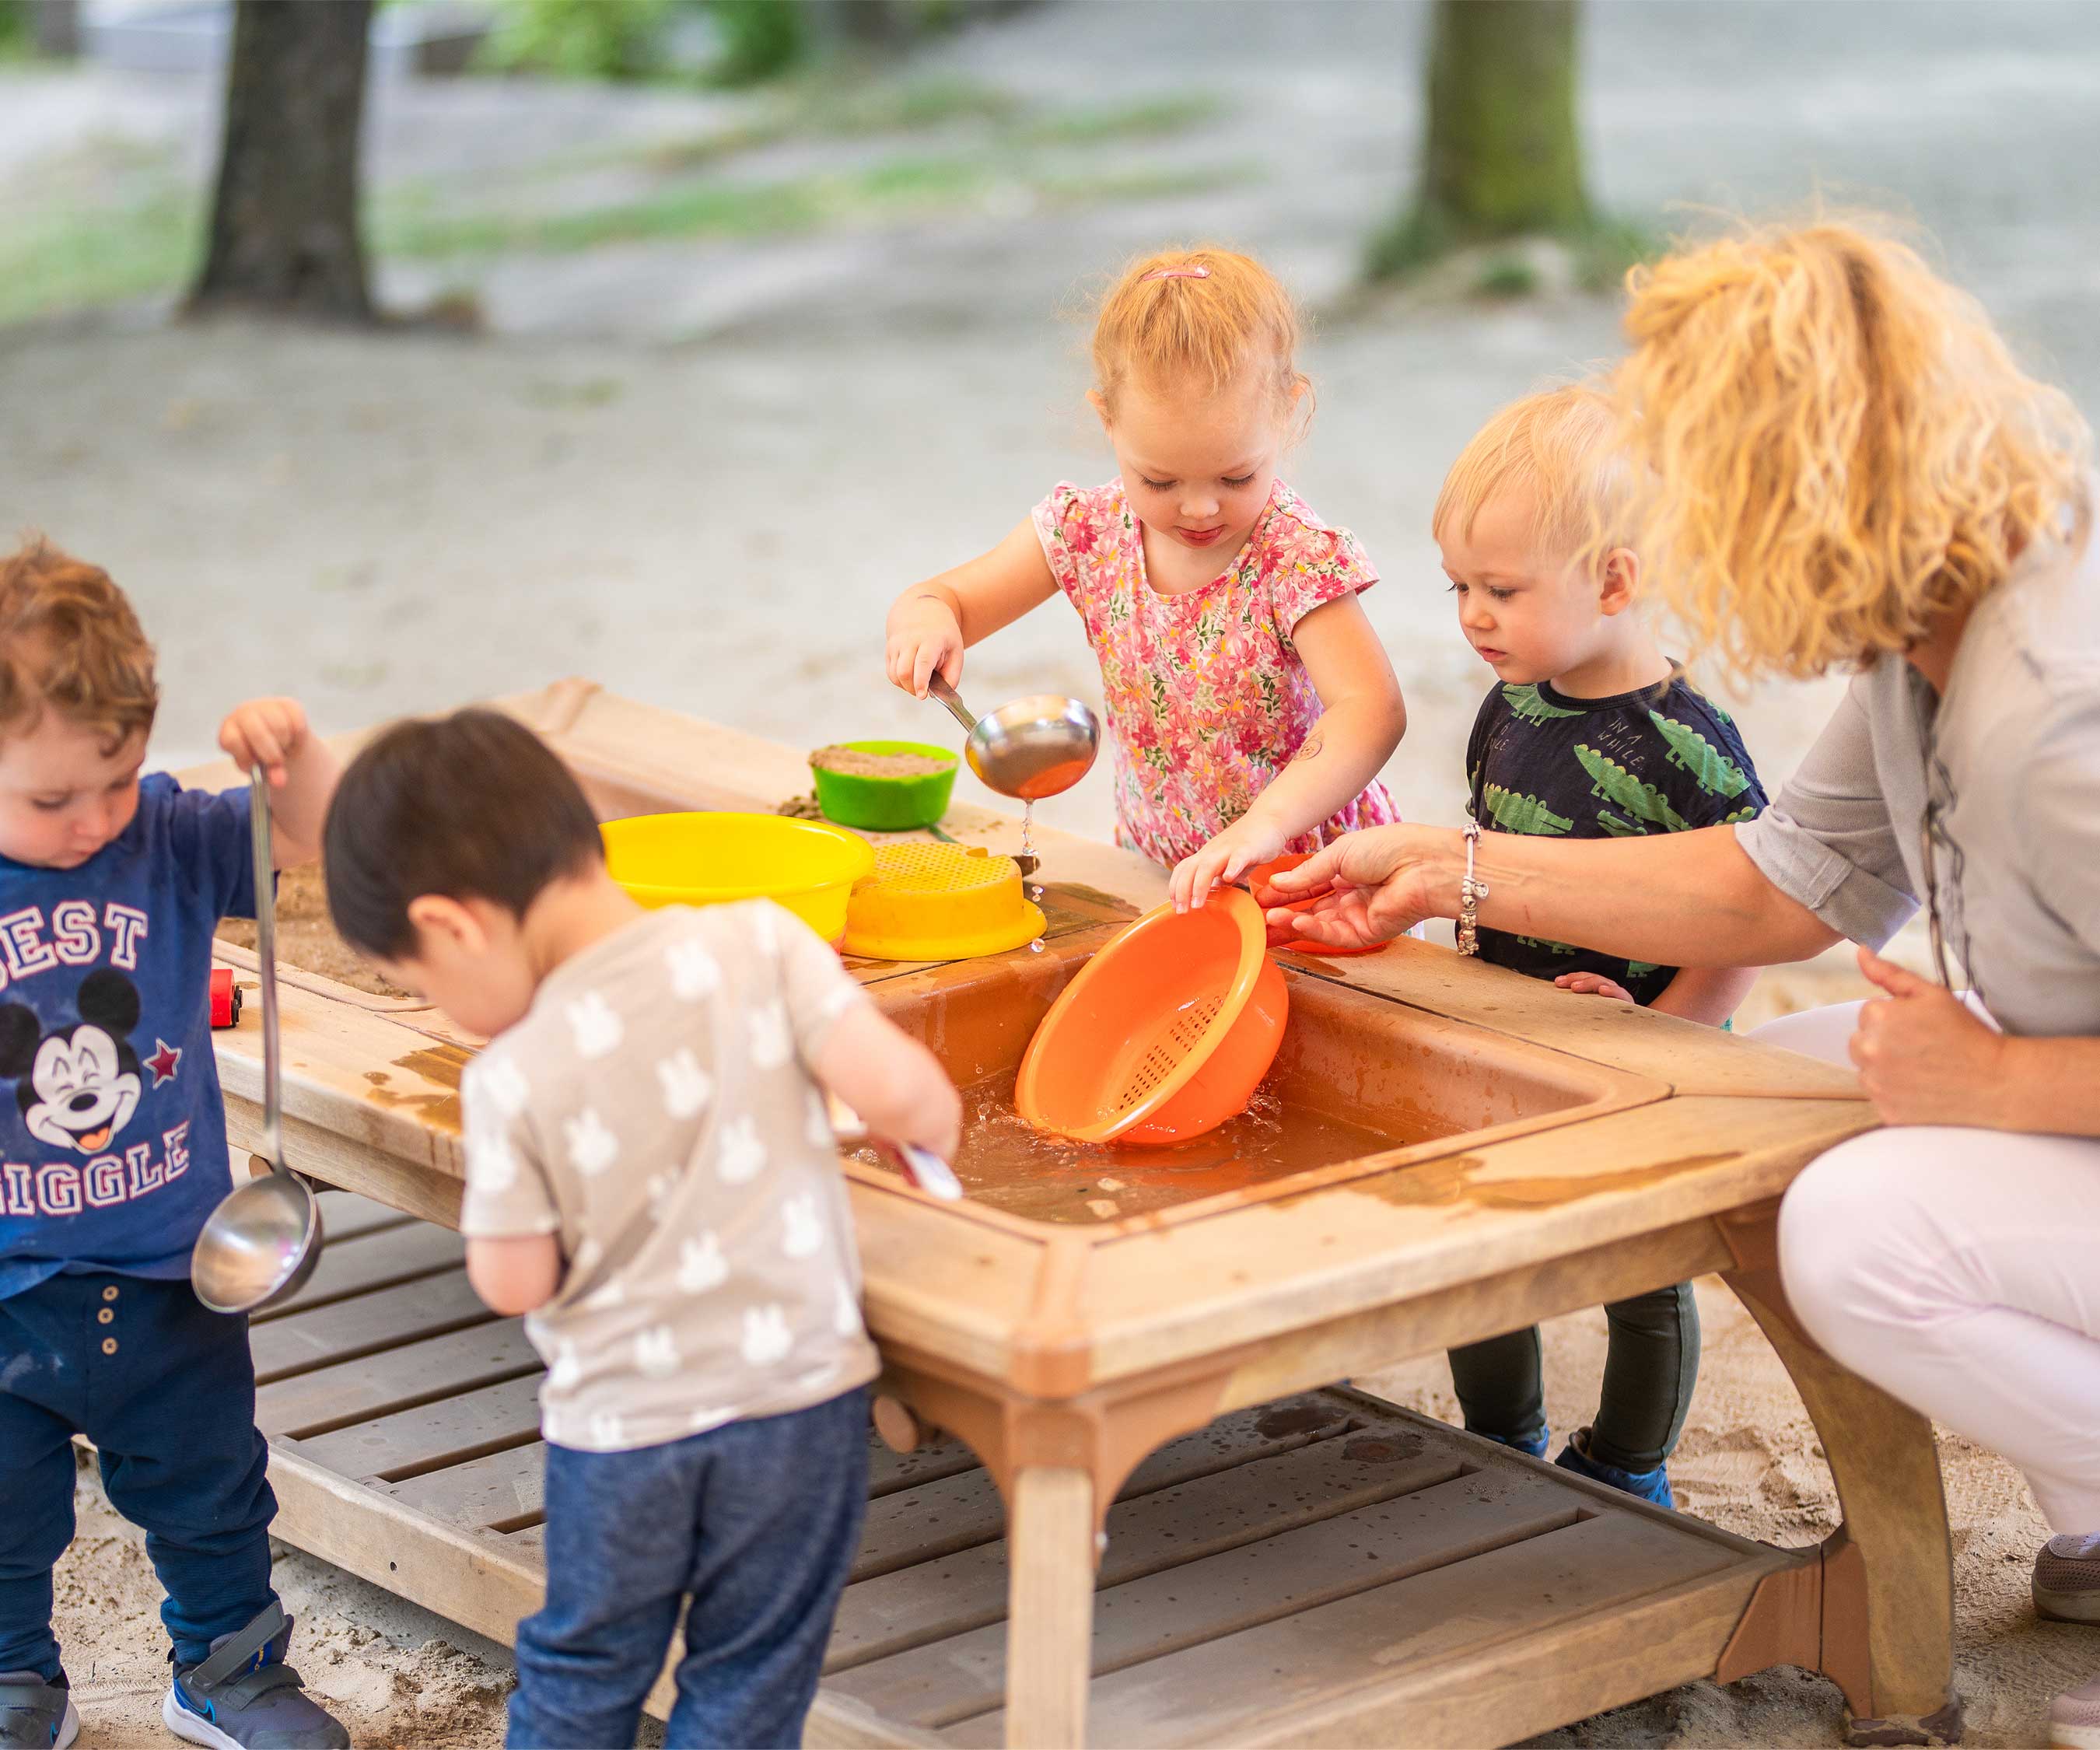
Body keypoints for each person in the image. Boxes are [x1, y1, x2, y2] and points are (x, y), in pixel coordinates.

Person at [1264, 218, 2100, 1746]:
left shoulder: (2058, 715)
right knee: (1761, 1102)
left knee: (1854, 1234)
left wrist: (2004, 1083)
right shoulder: (1928, 623)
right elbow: (1778, 881)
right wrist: (1448, 869)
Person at [322, 709, 960, 1750]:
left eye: (422, 984)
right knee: (752, 1670)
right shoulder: (764, 942)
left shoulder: (511, 1076)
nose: (444, 1011)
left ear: (454, 926)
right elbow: (910, 1101)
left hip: (627, 1432)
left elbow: (515, 1282)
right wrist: (911, 1128)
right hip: (797, 1408)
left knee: (585, 1668)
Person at [0, 540, 349, 1750]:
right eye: (51, 799)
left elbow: (312, 835)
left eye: (116, 779)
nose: (92, 820)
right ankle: (16, 1677)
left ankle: (229, 1672)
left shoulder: (166, 838)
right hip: (7, 1283)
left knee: (213, 1493)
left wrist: (293, 756)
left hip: (176, 1271)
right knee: (1, 1515)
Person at [1433, 387, 1766, 1505]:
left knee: (1644, 1269)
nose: (1473, 616)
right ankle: (1500, 1439)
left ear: (1614, 583)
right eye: (1458, 588)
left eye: (1503, 589)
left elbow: (1760, 913)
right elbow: (1485, 852)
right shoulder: (1509, 707)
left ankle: (1627, 1467)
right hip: (1512, 1039)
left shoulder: (1686, 743)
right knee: (1482, 1240)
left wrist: (1668, 1031)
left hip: (1645, 1060)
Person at [883, 244, 1407, 909]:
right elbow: (947, 598)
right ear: (1107, 420)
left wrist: (1266, 825)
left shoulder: (1292, 556)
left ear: (1286, 410)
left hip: (1310, 883)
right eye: (1159, 480)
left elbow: (1372, 709)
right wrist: (925, 618)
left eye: (1236, 477)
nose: (1199, 508)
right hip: (1161, 871)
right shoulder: (1088, 531)